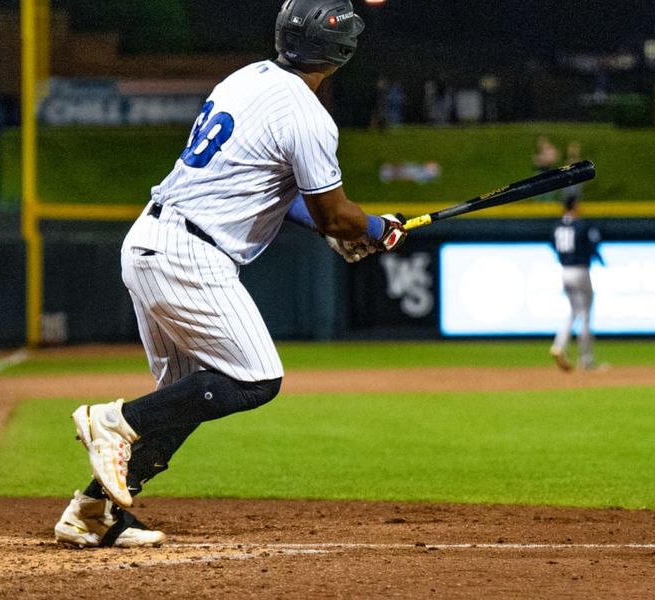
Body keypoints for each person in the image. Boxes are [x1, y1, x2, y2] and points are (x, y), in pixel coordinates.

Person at [53, 0, 406, 549]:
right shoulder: (309, 117)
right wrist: (375, 226)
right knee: (255, 379)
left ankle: (91, 512)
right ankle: (115, 421)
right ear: (341, 52)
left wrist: (341, 231)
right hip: (190, 256)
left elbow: (277, 194)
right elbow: (334, 212)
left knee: (187, 398)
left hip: (151, 242)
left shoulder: (249, 78)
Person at [549, 196, 604, 372]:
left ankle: (558, 345)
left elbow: (553, 245)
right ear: (574, 206)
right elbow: (592, 247)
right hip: (580, 270)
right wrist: (600, 260)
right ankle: (586, 360)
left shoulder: (556, 226)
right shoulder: (581, 225)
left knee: (573, 312)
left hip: (564, 271)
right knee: (586, 315)